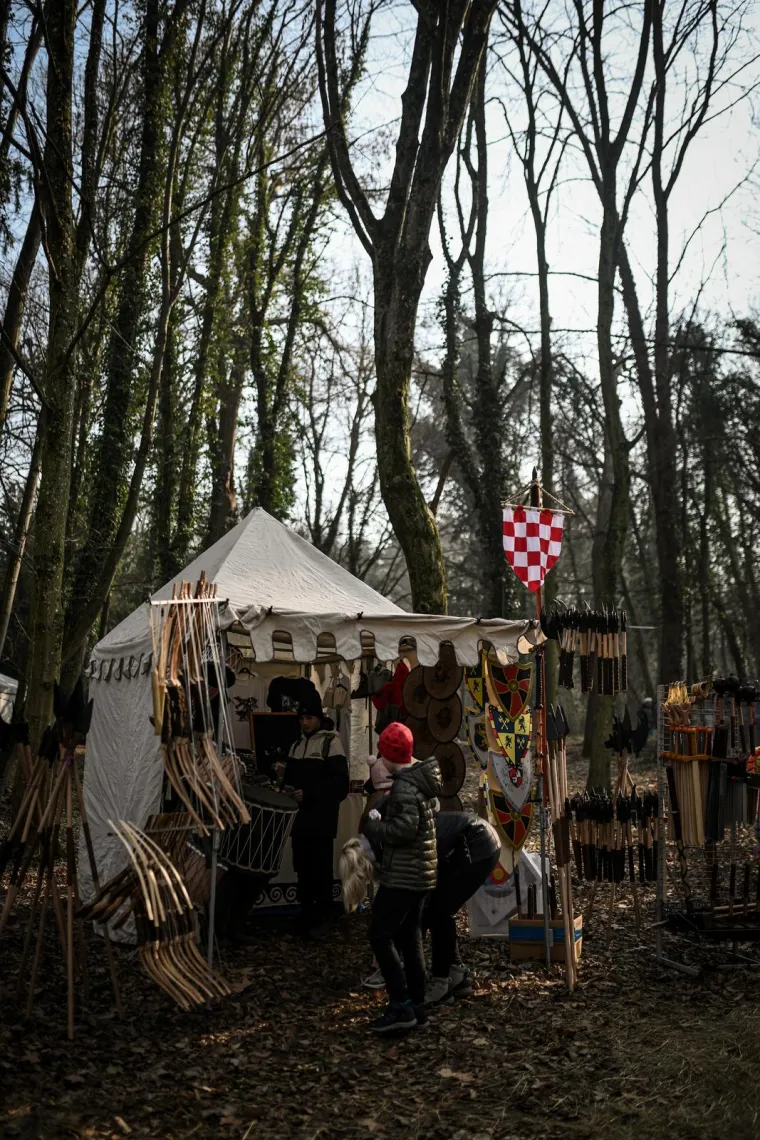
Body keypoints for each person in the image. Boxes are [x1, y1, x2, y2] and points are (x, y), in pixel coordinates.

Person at [361, 722, 441, 1034]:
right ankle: (417, 1007)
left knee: (380, 936)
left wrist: (373, 826)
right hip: (419, 874)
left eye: (383, 752)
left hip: (404, 876)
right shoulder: (416, 781)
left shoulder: (406, 788)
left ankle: (401, 1004)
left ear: (390, 755)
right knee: (410, 939)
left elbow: (404, 831)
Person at [281, 693, 349, 939]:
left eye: (309, 717)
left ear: (319, 718)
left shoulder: (331, 742)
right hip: (299, 821)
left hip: (320, 820)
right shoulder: (296, 745)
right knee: (302, 868)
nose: (305, 723)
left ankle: (323, 916)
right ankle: (306, 914)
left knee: (320, 868)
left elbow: (340, 783)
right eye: (302, 718)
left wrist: (309, 794)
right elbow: (290, 777)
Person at [422, 813, 500, 1005]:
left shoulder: (411, 834)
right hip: (477, 841)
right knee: (437, 908)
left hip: (479, 844)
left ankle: (441, 982)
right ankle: (456, 973)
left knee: (440, 911)